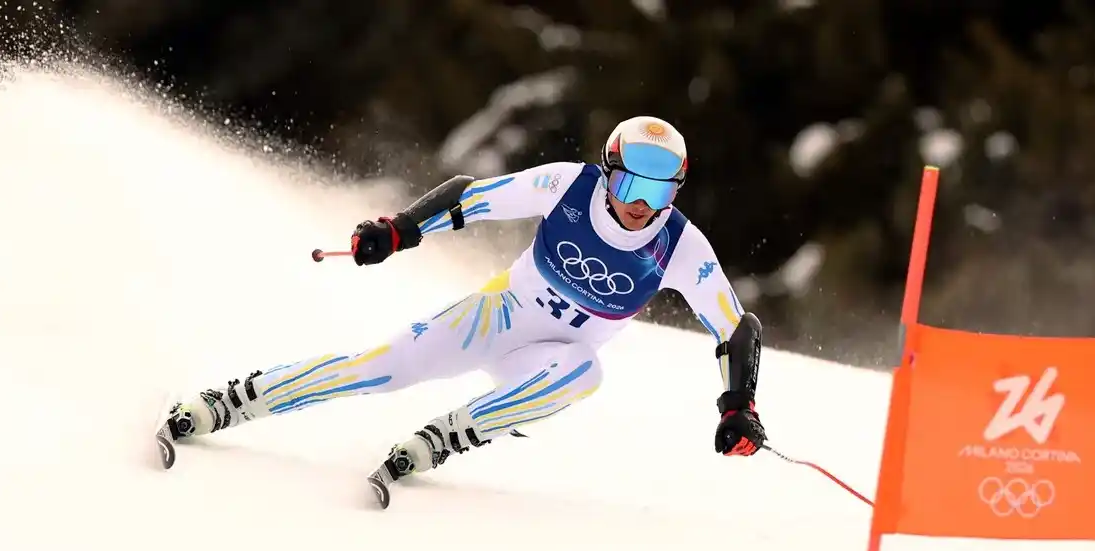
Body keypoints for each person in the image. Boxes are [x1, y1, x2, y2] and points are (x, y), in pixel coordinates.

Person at [154, 115, 769, 508]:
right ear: (608, 175)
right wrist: (397, 232)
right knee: (381, 369)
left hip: (547, 357)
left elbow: (736, 329)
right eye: (630, 186)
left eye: (659, 192)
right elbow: (471, 198)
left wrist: (738, 406)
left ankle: (445, 438)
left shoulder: (680, 246)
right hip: (498, 316)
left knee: (587, 373)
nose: (641, 205)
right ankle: (229, 402)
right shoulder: (569, 186)